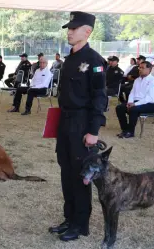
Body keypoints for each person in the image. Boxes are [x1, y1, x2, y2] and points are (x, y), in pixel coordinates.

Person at [48, 11, 107, 242]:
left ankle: (80, 224)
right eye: (69, 28)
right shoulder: (70, 58)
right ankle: (69, 217)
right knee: (66, 171)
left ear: (88, 31)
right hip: (65, 121)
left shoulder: (94, 60)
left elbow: (99, 97)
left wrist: (93, 131)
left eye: (74, 28)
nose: (69, 32)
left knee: (81, 175)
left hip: (82, 124)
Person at [115, 61, 154, 138]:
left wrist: (134, 104)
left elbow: (150, 98)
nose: (140, 69)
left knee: (133, 109)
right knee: (119, 108)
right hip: (136, 102)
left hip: (150, 104)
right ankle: (125, 130)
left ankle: (130, 132)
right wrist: (130, 102)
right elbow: (132, 93)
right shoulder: (137, 80)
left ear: (149, 69)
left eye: (142, 68)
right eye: (139, 67)